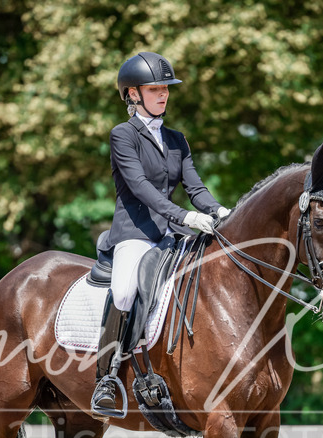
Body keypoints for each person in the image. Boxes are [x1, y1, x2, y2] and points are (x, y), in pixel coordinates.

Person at [91, 51, 229, 419]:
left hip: (170, 234)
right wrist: (184, 214)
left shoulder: (177, 139)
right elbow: (139, 188)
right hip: (136, 232)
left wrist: (219, 211)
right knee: (123, 290)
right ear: (133, 94)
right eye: (155, 89)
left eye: (166, 88)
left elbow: (195, 187)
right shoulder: (122, 135)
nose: (164, 94)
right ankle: (105, 378)